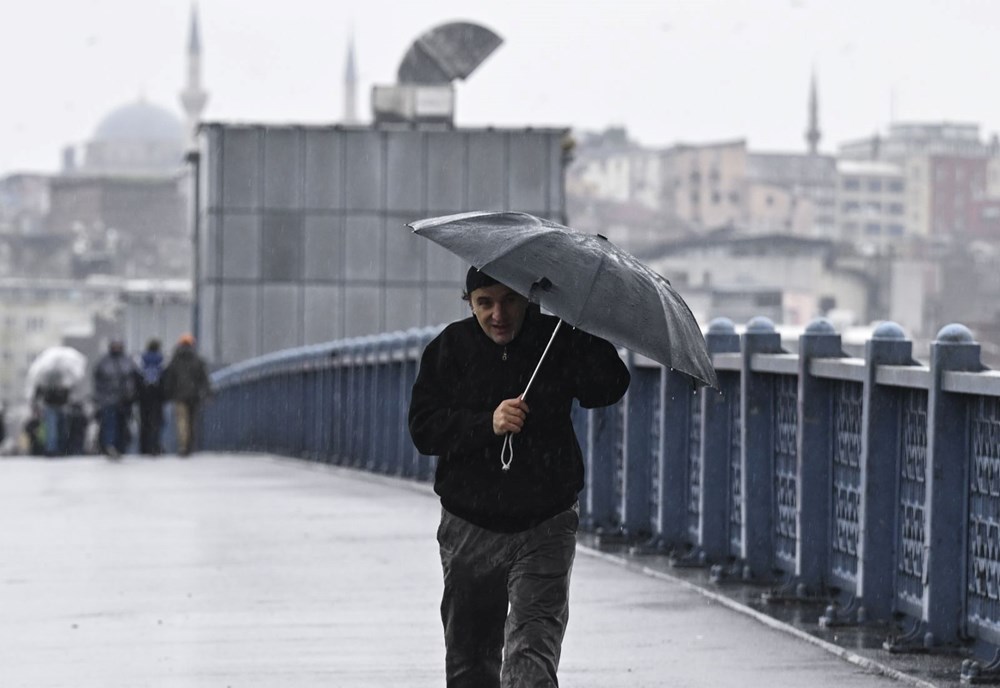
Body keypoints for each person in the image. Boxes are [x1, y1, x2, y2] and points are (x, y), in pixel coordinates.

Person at [408, 267, 630, 688]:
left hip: (545, 522)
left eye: (509, 300)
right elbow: (424, 429)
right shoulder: (450, 349)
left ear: (529, 300)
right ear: (469, 303)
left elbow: (610, 385)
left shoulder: (556, 340)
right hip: (469, 524)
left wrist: (579, 325)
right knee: (470, 663)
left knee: (532, 656)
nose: (498, 315)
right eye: (484, 303)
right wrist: (485, 424)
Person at [161, 333, 211, 456]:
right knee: (192, 422)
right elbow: (204, 379)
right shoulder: (198, 360)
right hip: (194, 396)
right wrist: (207, 393)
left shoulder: (175, 360)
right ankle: (190, 445)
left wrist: (167, 393)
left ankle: (183, 446)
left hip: (179, 396)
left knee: (182, 422)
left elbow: (169, 379)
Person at [92, 338, 140, 459]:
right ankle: (110, 446)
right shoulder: (104, 362)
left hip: (124, 401)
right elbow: (98, 382)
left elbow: (133, 379)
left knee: (122, 425)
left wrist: (131, 394)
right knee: (110, 424)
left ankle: (119, 447)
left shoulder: (128, 361)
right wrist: (100, 397)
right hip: (108, 400)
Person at [137, 338, 165, 455]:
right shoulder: (161, 360)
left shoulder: (142, 359)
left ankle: (144, 447)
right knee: (156, 422)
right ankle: (155, 445)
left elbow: (137, 376)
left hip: (144, 396)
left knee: (144, 422)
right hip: (157, 396)